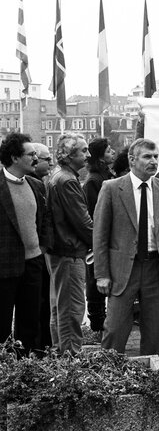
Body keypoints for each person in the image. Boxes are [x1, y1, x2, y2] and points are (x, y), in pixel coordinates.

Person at [94, 139, 159, 357]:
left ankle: (154, 375)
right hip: (122, 269)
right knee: (115, 326)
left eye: (155, 157)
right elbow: (100, 235)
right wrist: (102, 274)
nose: (153, 161)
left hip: (155, 266)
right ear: (132, 160)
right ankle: (108, 374)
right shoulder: (112, 188)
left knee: (154, 328)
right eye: (147, 156)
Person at [0, 133, 49, 355]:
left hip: (33, 263)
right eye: (31, 154)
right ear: (14, 157)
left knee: (30, 321)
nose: (36, 159)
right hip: (4, 266)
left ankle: (26, 367)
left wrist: (42, 248)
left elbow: (45, 221)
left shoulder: (37, 186)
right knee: (1, 323)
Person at [47, 133, 93, 353]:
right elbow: (82, 221)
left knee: (60, 308)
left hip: (61, 251)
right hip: (70, 252)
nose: (88, 155)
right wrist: (101, 242)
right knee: (72, 309)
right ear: (69, 154)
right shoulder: (67, 180)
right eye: (83, 150)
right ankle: (71, 358)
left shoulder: (59, 176)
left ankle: (61, 354)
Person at [82, 138, 114, 338]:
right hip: (98, 241)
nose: (113, 152)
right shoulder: (94, 181)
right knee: (95, 281)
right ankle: (97, 325)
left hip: (107, 239)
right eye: (109, 150)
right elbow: (96, 213)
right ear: (101, 156)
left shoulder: (105, 176)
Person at [29, 143, 53, 350]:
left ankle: (44, 344)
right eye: (46, 159)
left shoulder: (40, 184)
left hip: (41, 252)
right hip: (32, 255)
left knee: (43, 300)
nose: (50, 162)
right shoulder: (34, 185)